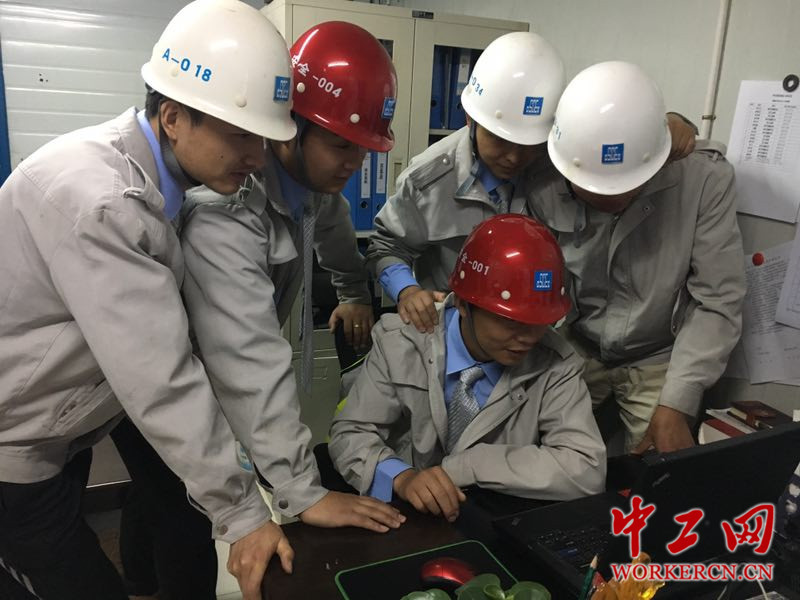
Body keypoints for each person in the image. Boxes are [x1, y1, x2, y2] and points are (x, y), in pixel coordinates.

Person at [0, 2, 299, 599]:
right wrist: (243, 514)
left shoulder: (161, 185)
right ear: (173, 117)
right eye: (241, 135)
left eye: (264, 138)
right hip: (14, 446)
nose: (257, 157)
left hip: (60, 430)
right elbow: (161, 377)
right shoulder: (104, 201)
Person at [179, 20, 405, 549]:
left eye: (364, 148)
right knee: (182, 520)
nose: (354, 163)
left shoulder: (313, 188)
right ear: (288, 126)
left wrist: (354, 294)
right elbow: (251, 359)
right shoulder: (226, 212)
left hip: (218, 365)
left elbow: (335, 228)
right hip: (182, 377)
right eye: (339, 144)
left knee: (167, 510)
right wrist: (303, 491)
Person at [366, 32, 697, 335]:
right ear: (470, 119)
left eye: (529, 143)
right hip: (459, 332)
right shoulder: (428, 181)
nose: (514, 157)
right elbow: (385, 246)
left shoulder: (564, 165)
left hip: (543, 333)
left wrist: (669, 126)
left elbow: (617, 135)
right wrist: (407, 290)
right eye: (500, 140)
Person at [528, 61, 746, 454]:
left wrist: (678, 399)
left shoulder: (703, 180)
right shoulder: (544, 179)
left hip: (661, 356)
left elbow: (718, 299)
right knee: (537, 449)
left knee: (662, 467)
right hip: (578, 342)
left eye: (625, 187)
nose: (610, 198)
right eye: (592, 188)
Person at [329, 215, 606, 522]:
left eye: (540, 321)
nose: (528, 338)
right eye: (510, 321)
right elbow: (349, 434)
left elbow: (586, 468)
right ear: (462, 304)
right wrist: (402, 477)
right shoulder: (401, 342)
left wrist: (469, 465)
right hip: (406, 516)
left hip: (493, 515)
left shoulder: (555, 362)